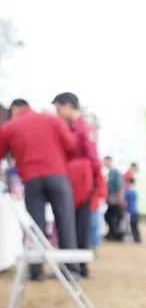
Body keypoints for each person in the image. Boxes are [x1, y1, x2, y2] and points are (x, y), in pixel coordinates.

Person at [0, 98, 79, 280]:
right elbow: (71, 144)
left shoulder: (10, 127)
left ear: (14, 109)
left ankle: (36, 271)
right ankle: (71, 270)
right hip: (58, 175)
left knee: (36, 226)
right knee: (65, 220)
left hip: (31, 177)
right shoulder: (51, 119)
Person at [53, 92, 101, 277]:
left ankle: (79, 267)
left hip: (81, 180)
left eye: (58, 108)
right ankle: (72, 265)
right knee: (69, 222)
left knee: (78, 223)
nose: (57, 113)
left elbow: (93, 157)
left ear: (68, 106)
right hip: (75, 178)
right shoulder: (72, 127)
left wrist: (95, 181)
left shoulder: (83, 128)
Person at [103, 156, 125, 241]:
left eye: (105, 162)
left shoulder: (115, 172)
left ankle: (117, 234)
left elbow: (121, 186)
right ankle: (112, 233)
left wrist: (120, 198)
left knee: (117, 216)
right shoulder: (110, 173)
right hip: (111, 197)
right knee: (108, 216)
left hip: (115, 197)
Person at [124, 176, 141, 243]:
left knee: (130, 226)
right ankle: (137, 239)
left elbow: (124, 202)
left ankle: (133, 239)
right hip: (135, 211)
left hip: (130, 212)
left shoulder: (128, 192)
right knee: (135, 226)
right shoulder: (135, 191)